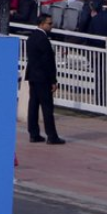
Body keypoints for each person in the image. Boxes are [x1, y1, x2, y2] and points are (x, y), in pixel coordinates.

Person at [24, 14, 65, 144]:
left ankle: (34, 133)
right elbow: (48, 62)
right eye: (49, 23)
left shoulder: (31, 38)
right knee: (47, 108)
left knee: (33, 105)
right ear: (41, 24)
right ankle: (51, 136)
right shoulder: (43, 39)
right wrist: (53, 80)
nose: (51, 26)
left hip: (33, 76)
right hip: (43, 78)